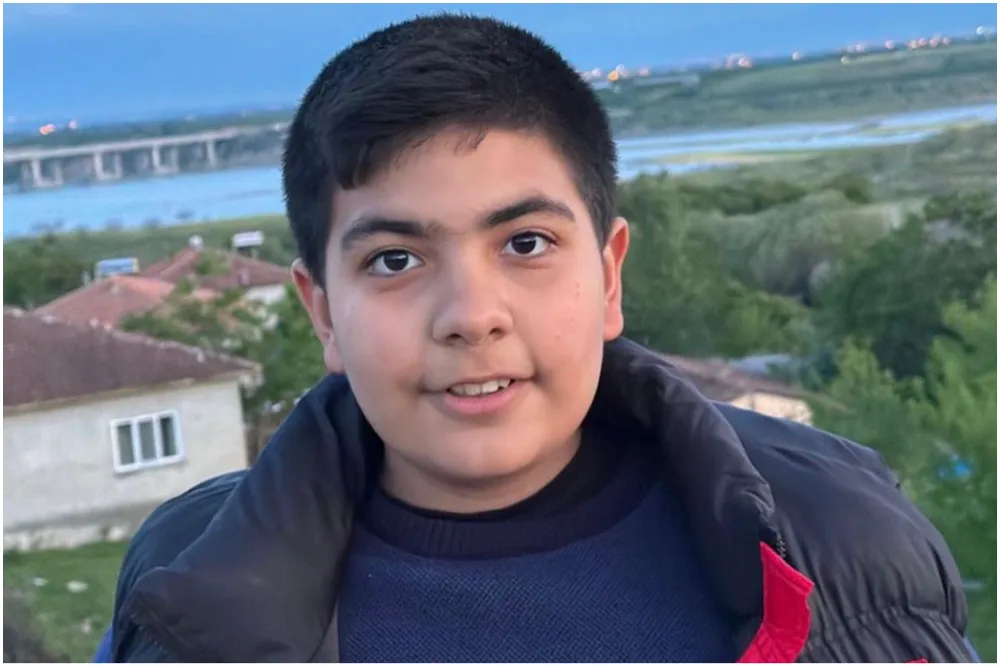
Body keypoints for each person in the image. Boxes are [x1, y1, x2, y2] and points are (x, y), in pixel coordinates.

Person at [104, 14, 976, 663]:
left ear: (610, 276)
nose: (471, 314)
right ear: (323, 311)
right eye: (395, 259)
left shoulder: (837, 539)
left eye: (525, 244)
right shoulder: (195, 590)